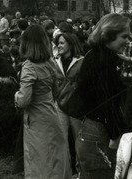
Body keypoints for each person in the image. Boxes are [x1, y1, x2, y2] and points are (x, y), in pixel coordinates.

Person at [75, 13, 130, 178]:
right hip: (99, 133)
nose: (127, 41)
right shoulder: (104, 60)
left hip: (90, 129)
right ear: (109, 35)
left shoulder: (95, 55)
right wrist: (115, 133)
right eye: (124, 36)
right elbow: (107, 101)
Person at [14, 24, 71, 179]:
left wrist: (16, 97)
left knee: (38, 160)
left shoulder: (29, 67)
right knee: (54, 158)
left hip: (36, 119)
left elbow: (24, 100)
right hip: (51, 115)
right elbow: (56, 92)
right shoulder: (50, 63)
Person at [54, 32, 85, 177]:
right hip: (59, 106)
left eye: (62, 43)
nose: (58, 46)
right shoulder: (54, 61)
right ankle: (65, 171)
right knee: (61, 138)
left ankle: (80, 172)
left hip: (76, 107)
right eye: (58, 43)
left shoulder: (82, 61)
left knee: (79, 139)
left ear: (71, 45)